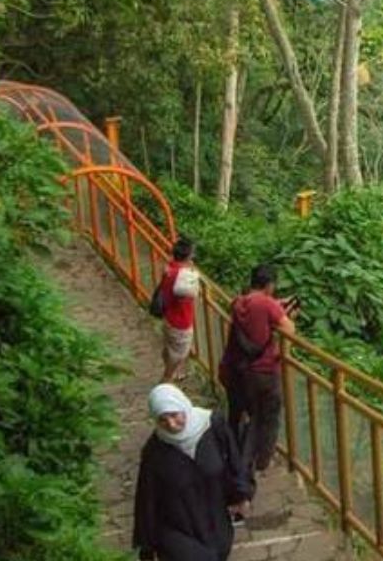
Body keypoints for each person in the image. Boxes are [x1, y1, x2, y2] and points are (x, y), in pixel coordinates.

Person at [133, 384, 252, 561]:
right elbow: (147, 498)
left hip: (215, 519)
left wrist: (242, 495)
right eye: (162, 420)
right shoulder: (155, 452)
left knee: (218, 553)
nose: (171, 424)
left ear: (183, 407)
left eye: (174, 415)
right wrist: (147, 546)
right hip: (178, 527)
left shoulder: (212, 426)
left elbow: (234, 462)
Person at [219, 264, 296, 473]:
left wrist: (277, 304)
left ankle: (233, 451)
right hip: (262, 372)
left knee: (239, 412)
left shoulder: (239, 301)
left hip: (235, 369)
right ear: (270, 285)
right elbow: (289, 329)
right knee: (266, 416)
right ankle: (260, 462)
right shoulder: (267, 304)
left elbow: (254, 310)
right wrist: (287, 314)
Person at [159, 238, 201, 383]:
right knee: (179, 354)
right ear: (188, 256)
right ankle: (167, 378)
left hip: (168, 316)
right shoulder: (184, 276)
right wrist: (193, 271)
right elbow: (193, 293)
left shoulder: (169, 268)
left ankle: (173, 373)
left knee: (170, 347)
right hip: (180, 321)